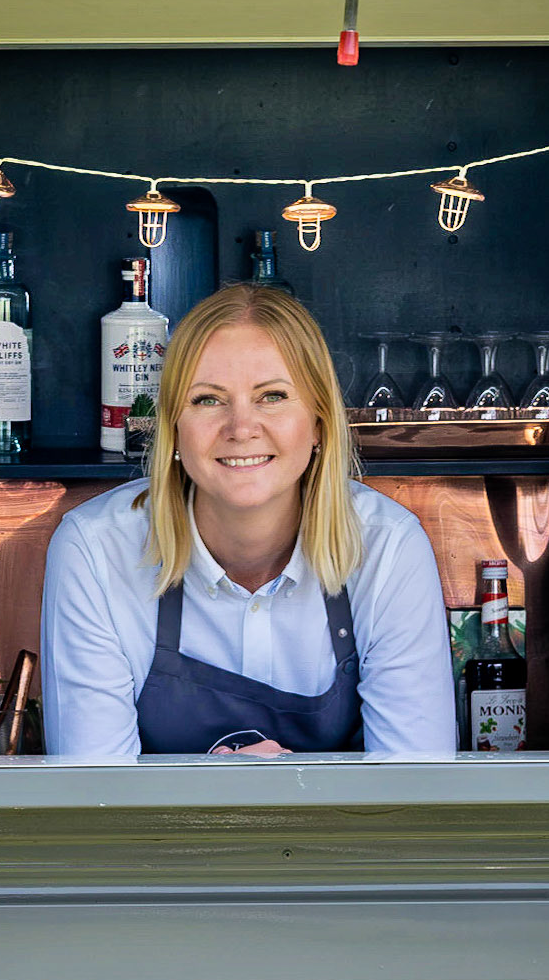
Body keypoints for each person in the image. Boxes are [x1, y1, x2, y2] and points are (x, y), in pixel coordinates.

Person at [40, 284, 457, 757]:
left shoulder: (387, 548)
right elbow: (93, 798)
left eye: (273, 395)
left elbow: (415, 788)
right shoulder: (96, 550)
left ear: (319, 422)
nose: (241, 428)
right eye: (207, 400)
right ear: (173, 426)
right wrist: (227, 793)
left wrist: (267, 795)